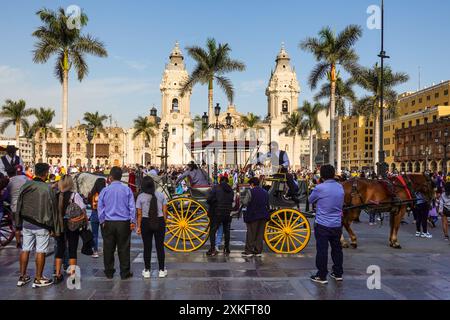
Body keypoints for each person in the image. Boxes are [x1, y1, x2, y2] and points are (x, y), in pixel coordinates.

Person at [15, 163, 62, 288]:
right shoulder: (47, 189)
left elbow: (19, 204)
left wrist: (18, 224)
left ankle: (22, 276)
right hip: (42, 224)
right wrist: (55, 229)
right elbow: (54, 210)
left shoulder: (26, 185)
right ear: (46, 173)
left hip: (26, 222)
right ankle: (38, 278)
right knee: (40, 250)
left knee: (25, 248)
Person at [308, 164, 344, 284]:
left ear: (322, 175)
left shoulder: (320, 188)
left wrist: (318, 185)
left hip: (322, 224)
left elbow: (310, 200)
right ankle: (338, 273)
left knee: (322, 250)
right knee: (337, 249)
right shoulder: (340, 187)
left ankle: (322, 275)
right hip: (337, 224)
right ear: (333, 174)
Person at [98, 166, 136, 280]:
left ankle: (109, 271)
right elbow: (132, 207)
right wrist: (132, 221)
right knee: (124, 248)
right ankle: (124, 272)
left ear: (110, 177)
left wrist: (102, 220)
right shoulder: (127, 190)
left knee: (108, 248)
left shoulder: (105, 190)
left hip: (109, 222)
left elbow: (100, 207)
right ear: (121, 177)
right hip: (123, 223)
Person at [53, 175, 87, 284]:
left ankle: (57, 274)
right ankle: (72, 275)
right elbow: (83, 210)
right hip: (72, 226)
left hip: (59, 226)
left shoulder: (56, 195)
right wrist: (81, 218)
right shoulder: (75, 195)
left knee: (60, 249)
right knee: (72, 249)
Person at [136, 176, 168, 278]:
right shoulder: (161, 195)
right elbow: (165, 211)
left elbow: (139, 214)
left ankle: (147, 270)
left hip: (146, 221)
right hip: (159, 221)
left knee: (147, 247)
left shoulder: (140, 197)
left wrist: (139, 226)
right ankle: (162, 270)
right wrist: (165, 221)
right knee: (160, 247)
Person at [241, 177, 269, 257]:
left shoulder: (250, 191)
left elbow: (245, 202)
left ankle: (249, 251)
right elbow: (267, 202)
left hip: (253, 215)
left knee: (251, 233)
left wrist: (241, 200)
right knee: (260, 234)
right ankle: (258, 251)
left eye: (250, 184)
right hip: (263, 215)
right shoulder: (265, 192)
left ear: (252, 184)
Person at [206, 176, 234, 256]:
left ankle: (212, 249)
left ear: (220, 181)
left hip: (217, 211)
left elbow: (209, 199)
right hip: (227, 212)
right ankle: (227, 248)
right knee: (227, 231)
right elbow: (231, 200)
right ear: (227, 181)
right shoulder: (230, 190)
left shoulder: (216, 188)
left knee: (213, 230)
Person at [6, 166, 28, 248]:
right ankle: (27, 242)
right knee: (26, 226)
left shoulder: (9, 181)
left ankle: (18, 242)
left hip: (14, 207)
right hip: (25, 206)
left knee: (17, 226)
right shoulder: (25, 178)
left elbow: (6, 194)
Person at [88, 178, 107, 258]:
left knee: (94, 234)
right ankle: (106, 250)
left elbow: (89, 202)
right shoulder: (105, 192)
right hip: (103, 214)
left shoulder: (92, 193)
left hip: (94, 214)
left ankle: (95, 251)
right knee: (105, 234)